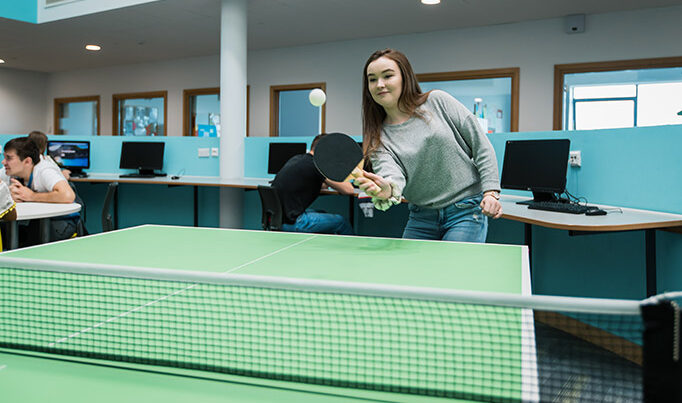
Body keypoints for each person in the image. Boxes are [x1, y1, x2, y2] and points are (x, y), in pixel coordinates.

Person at [353, 48, 503, 243]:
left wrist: (491, 192)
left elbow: (481, 145)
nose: (379, 84)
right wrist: (387, 189)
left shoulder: (437, 101)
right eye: (372, 79)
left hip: (465, 210)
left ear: (404, 77)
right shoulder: (378, 137)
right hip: (421, 217)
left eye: (388, 76)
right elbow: (393, 176)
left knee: (454, 273)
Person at [272, 133, 356, 235]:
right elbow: (349, 190)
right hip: (294, 222)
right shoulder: (318, 165)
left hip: (279, 219)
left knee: (322, 213)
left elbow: (315, 182)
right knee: (342, 222)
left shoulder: (298, 159)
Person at [1, 137, 78, 244]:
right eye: (4, 157)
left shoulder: (45, 170)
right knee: (4, 230)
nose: (3, 162)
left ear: (27, 161)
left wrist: (31, 196)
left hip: (59, 222)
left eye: (9, 158)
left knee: (32, 236)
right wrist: (7, 196)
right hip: (33, 221)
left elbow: (68, 195)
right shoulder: (10, 170)